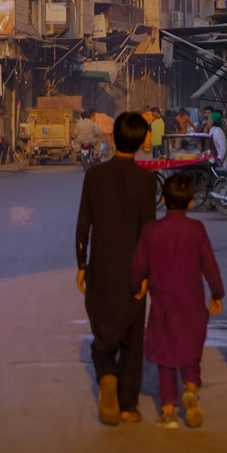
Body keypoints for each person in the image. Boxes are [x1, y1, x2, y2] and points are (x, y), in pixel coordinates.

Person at [75, 111, 157, 425]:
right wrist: (148, 272)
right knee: (133, 337)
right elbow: (148, 229)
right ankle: (127, 405)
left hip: (102, 264)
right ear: (139, 144)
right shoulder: (147, 180)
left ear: (112, 138)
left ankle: (106, 373)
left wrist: (82, 264)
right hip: (134, 267)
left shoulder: (94, 176)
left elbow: (84, 222)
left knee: (104, 326)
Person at [130, 170, 225, 429]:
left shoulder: (152, 230)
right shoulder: (196, 229)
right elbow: (210, 266)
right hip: (192, 303)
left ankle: (169, 410)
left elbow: (138, 266)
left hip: (163, 304)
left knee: (165, 353)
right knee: (190, 350)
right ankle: (191, 389)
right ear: (191, 202)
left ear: (164, 198)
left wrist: (136, 286)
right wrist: (217, 294)